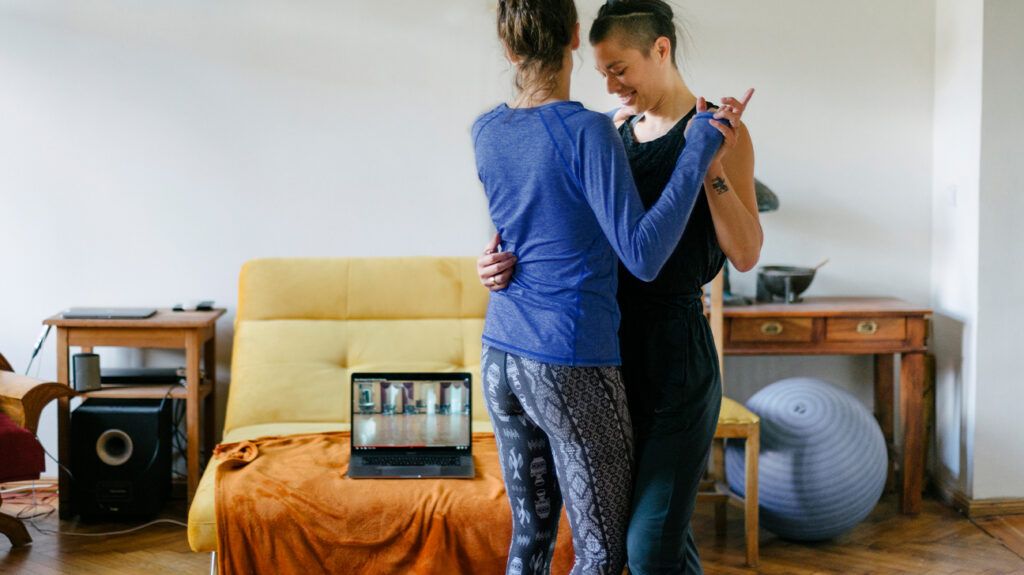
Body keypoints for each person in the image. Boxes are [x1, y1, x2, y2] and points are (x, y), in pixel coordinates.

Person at [477, 2, 763, 574]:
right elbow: (542, 222)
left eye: (621, 68)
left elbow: (747, 253)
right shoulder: (608, 130)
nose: (610, 84)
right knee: (652, 539)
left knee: (647, 546)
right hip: (602, 357)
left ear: (661, 50)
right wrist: (494, 260)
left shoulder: (721, 133)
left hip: (674, 361)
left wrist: (711, 166)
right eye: (601, 69)